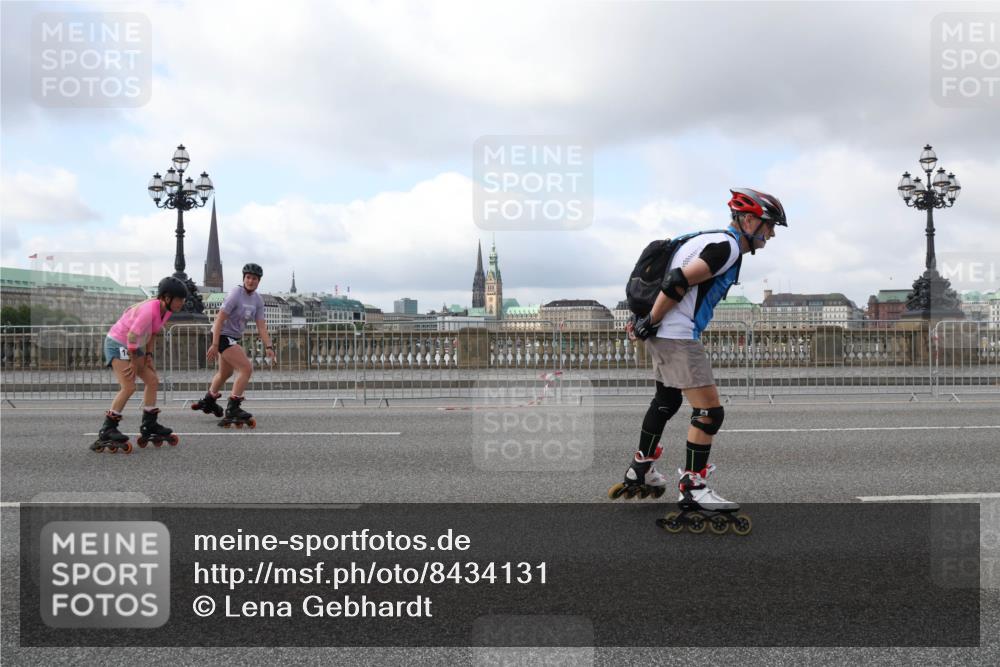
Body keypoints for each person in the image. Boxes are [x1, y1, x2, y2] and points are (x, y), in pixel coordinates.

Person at [612, 188, 787, 516]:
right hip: (677, 336)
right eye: (769, 225)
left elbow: (666, 277)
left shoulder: (708, 238)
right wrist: (652, 320)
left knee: (666, 401)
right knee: (710, 413)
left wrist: (643, 320)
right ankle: (693, 487)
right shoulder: (729, 247)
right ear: (748, 220)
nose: (772, 233)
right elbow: (677, 282)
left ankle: (641, 469)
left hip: (665, 332)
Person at [92, 276, 188, 453]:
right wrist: (135, 362)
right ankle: (107, 429)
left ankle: (149, 424)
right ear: (167, 298)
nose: (182, 303)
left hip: (132, 344)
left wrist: (149, 355)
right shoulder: (148, 311)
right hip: (117, 343)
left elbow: (152, 333)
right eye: (179, 299)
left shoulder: (165, 311)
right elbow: (131, 337)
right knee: (128, 386)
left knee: (152, 380)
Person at [191, 263, 275, 427]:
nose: (251, 281)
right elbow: (220, 318)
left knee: (225, 373)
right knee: (246, 368)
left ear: (259, 281)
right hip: (221, 335)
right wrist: (215, 344)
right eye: (248, 277)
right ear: (244, 278)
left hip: (231, 337)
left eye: (254, 279)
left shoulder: (258, 300)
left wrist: (269, 346)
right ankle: (233, 408)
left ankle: (209, 400)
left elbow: (261, 326)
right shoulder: (236, 293)